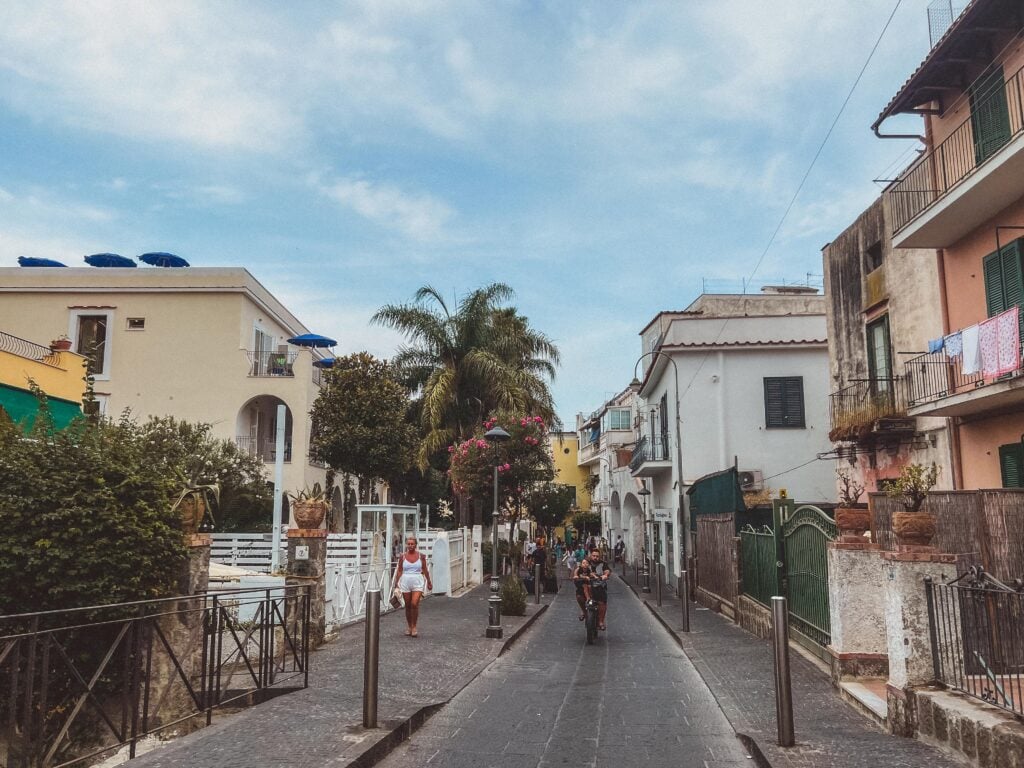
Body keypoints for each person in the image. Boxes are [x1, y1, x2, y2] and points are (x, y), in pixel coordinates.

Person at [394, 536, 432, 637]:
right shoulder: (402, 556)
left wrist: (429, 581)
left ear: (415, 545)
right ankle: (409, 626)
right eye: (409, 544)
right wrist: (396, 582)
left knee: (414, 604)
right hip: (405, 581)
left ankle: (414, 626)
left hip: (418, 581)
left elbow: (425, 569)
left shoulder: (421, 556)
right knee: (407, 605)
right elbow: (400, 570)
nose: (410, 546)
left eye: (412, 544)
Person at [585, 548, 611, 630]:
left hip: (599, 586)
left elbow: (607, 571)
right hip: (588, 585)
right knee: (579, 596)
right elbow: (579, 569)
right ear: (590, 555)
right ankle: (583, 611)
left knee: (602, 603)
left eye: (597, 556)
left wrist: (605, 575)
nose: (595, 557)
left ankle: (601, 621)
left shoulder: (603, 564)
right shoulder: (586, 563)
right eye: (593, 556)